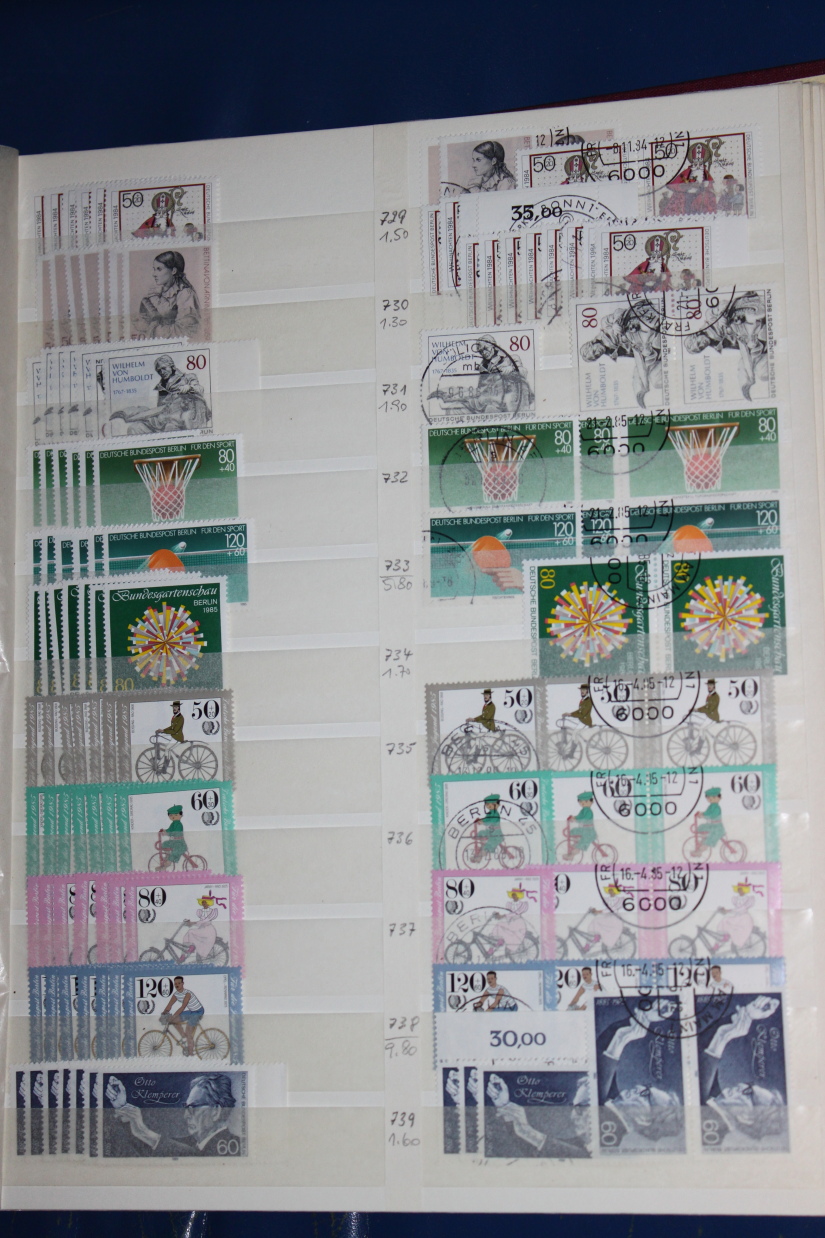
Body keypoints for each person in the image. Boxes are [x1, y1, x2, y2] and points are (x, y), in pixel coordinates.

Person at [105, 1073, 238, 1156]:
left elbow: (193, 1155)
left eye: (193, 1107)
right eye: (186, 1107)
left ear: (215, 1111)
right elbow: (151, 1149)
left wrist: (144, 1131)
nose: (186, 1115)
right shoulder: (192, 1143)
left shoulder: (231, 1148)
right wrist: (123, 1107)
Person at [136, 250, 201, 340]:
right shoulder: (156, 293)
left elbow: (185, 331)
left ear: (173, 271)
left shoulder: (186, 294)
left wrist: (152, 328)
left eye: (159, 269)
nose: (154, 274)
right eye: (154, 269)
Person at [660, 141, 717, 215]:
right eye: (695, 161)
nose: (698, 163)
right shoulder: (687, 172)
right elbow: (675, 184)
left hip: (700, 197)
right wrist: (687, 186)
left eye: (700, 161)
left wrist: (702, 187)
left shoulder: (705, 173)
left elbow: (709, 187)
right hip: (686, 196)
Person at [161, 975, 205, 1056]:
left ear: (182, 984)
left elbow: (183, 1007)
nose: (177, 985)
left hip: (198, 1011)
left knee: (188, 1032)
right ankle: (183, 1036)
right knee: (174, 1020)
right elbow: (169, 1005)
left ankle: (190, 1053)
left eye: (179, 983)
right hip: (191, 1011)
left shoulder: (187, 994)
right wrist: (164, 1013)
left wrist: (174, 1015)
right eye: (175, 984)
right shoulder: (176, 994)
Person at [487, 887, 533, 959]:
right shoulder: (509, 904)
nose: (514, 896)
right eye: (512, 895)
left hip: (518, 923)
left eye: (515, 895)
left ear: (518, 895)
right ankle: (494, 945)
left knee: (508, 931)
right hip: (511, 922)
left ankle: (501, 943)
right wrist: (498, 915)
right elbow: (507, 912)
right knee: (499, 925)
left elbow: (516, 913)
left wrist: (503, 916)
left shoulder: (522, 904)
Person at [714, 882, 757, 953]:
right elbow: (736, 909)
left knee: (735, 928)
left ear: (744, 890)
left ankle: (734, 942)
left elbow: (741, 909)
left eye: (741, 890)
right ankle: (722, 938)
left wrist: (728, 910)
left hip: (744, 918)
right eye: (739, 889)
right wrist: (724, 910)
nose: (740, 891)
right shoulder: (736, 898)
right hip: (737, 917)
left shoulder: (747, 899)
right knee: (724, 920)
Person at [182, 895, 220, 961]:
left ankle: (192, 947)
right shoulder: (201, 911)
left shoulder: (211, 911)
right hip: (202, 929)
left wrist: (192, 923)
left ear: (208, 903)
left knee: (191, 931)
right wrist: (190, 923)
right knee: (186, 936)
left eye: (205, 902)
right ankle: (183, 954)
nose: (203, 904)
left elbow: (205, 921)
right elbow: (200, 922)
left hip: (208, 930)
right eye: (202, 902)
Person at [691, 787, 725, 855]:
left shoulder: (717, 807)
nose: (711, 799)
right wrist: (702, 814)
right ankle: (703, 840)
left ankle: (700, 851)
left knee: (709, 840)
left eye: (714, 797)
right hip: (711, 825)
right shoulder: (711, 806)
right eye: (708, 798)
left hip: (717, 827)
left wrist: (703, 816)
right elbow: (707, 813)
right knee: (702, 828)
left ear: (719, 798)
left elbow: (712, 816)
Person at [472, 793, 505, 859]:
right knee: (481, 833)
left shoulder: (496, 814)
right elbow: (487, 819)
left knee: (489, 845)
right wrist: (481, 820)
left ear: (498, 805)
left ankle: (479, 857)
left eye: (492, 804)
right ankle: (481, 846)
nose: (489, 805)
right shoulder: (489, 813)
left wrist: (483, 822)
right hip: (489, 832)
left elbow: (492, 821)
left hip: (496, 834)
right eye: (487, 804)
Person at [158, 804, 188, 871]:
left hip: (179, 843)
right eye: (171, 815)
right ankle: (167, 856)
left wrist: (167, 833)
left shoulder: (179, 824)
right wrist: (165, 831)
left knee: (175, 851)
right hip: (174, 842)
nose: (173, 817)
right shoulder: (173, 823)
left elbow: (176, 833)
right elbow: (169, 830)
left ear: (181, 815)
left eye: (176, 815)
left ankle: (167, 863)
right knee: (164, 844)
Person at [567, 790, 596, 855]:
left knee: (581, 843)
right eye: (581, 802)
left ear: (591, 802)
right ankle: (577, 842)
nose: (583, 803)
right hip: (583, 829)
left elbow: (585, 819)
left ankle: (572, 855)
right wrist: (574, 817)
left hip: (588, 830)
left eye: (586, 801)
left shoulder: (589, 811)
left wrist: (576, 820)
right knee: (572, 831)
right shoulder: (583, 810)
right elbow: (579, 816)